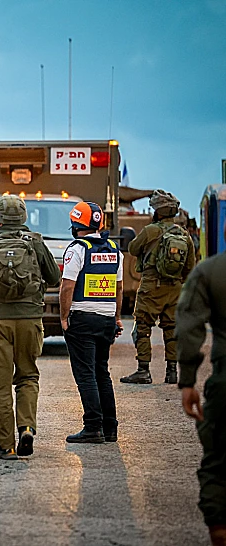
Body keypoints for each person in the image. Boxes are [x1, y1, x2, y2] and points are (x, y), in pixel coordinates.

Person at [0, 194, 61, 460]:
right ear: (23, 216)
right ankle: (26, 427)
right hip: (30, 320)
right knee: (28, 376)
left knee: (1, 385)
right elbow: (54, 277)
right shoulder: (35, 243)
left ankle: (6, 447)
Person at [176, 230, 226, 546]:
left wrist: (187, 382)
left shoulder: (211, 271)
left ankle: (219, 530)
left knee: (218, 460)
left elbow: (189, 323)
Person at [59, 202, 123, 444]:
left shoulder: (77, 249)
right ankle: (110, 428)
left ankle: (92, 427)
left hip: (82, 318)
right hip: (106, 319)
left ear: (76, 225)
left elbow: (67, 286)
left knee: (85, 374)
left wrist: (64, 317)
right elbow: (118, 287)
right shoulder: (115, 250)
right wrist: (116, 317)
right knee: (101, 373)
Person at [121, 190, 196, 385]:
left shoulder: (150, 231)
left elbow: (133, 249)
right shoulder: (184, 235)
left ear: (157, 212)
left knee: (143, 327)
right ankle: (172, 372)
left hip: (151, 287)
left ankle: (143, 370)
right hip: (175, 289)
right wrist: (177, 282)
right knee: (171, 328)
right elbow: (190, 267)